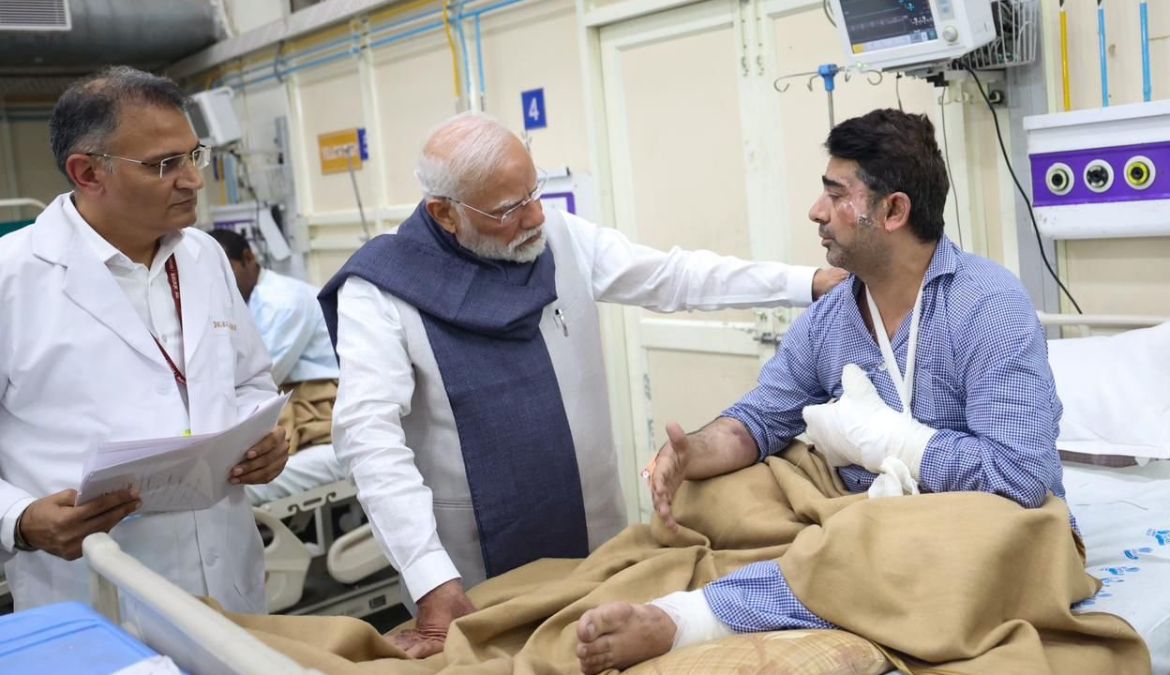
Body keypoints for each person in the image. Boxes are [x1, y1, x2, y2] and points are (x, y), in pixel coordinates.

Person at [318, 111, 848, 657]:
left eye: (534, 191)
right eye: (508, 209)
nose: (533, 217)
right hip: (468, 568)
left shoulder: (558, 240)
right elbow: (369, 438)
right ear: (445, 214)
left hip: (593, 535)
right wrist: (430, 578)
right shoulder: (381, 290)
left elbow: (673, 275)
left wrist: (804, 282)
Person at [574, 108, 1065, 673]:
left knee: (889, 538)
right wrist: (689, 455)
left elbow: (1025, 479)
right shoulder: (830, 317)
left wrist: (896, 442)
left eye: (835, 194)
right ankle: (815, 569)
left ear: (893, 210)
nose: (817, 211)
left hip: (965, 526)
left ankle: (689, 618)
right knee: (717, 494)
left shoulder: (988, 304)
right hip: (854, 514)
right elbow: (761, 420)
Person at [0, 66, 289, 613]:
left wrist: (261, 442)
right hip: (94, 587)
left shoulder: (203, 257)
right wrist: (20, 519)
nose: (193, 180)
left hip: (228, 575)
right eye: (164, 165)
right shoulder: (12, 278)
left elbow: (249, 379)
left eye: (192, 156)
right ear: (87, 173)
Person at [210, 228, 340, 458]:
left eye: (225, 272)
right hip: (291, 387)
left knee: (248, 436)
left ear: (248, 259)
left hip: (322, 391)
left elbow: (265, 377)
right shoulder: (243, 300)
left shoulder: (282, 302)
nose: (218, 283)